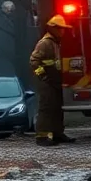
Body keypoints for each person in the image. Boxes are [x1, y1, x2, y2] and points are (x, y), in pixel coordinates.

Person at [31, 14, 75, 146]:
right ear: (53, 28)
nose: (63, 31)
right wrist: (43, 76)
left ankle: (57, 134)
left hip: (55, 81)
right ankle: (42, 137)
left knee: (57, 108)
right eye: (60, 28)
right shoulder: (44, 43)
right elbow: (34, 61)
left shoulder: (56, 43)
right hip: (46, 82)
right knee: (46, 108)